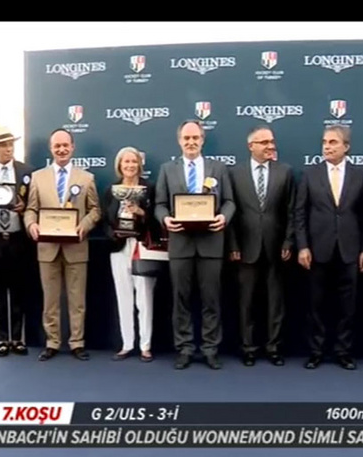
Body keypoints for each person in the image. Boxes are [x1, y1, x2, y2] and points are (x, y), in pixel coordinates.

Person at [154, 120, 236, 370]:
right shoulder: (168, 169)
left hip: (211, 243)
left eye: (195, 138)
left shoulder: (218, 168)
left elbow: (229, 201)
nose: (191, 142)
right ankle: (185, 348)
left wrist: (224, 216)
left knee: (211, 299)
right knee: (181, 300)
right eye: (186, 138)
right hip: (180, 244)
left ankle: (210, 348)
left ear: (203, 140)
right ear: (179, 141)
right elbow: (159, 204)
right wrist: (165, 219)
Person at [296, 125, 363, 370]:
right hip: (318, 249)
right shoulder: (311, 174)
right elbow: (300, 213)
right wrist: (302, 246)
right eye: (325, 142)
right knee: (316, 305)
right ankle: (316, 351)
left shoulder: (360, 175)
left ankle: (343, 351)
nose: (327, 147)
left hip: (350, 250)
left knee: (347, 307)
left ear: (346, 147)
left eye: (333, 142)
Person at [24, 128, 101, 362]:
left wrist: (85, 226)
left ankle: (77, 342)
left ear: (72, 147)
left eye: (65, 145)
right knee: (50, 300)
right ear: (51, 148)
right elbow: (30, 209)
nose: (61, 149)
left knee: (77, 300)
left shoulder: (86, 178)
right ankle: (52, 342)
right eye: (57, 145)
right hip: (47, 248)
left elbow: (96, 210)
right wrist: (31, 226)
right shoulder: (38, 177)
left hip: (76, 247)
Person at [227, 126, 296, 367]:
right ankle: (248, 347)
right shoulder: (235, 173)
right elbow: (231, 211)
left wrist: (289, 240)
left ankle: (273, 347)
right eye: (264, 142)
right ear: (251, 146)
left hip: (276, 247)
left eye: (271, 142)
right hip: (245, 248)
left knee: (276, 301)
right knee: (246, 302)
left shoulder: (285, 172)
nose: (270, 146)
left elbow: (291, 210)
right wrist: (233, 245)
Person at [0, 127, 36, 357]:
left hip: (19, 239)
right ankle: (3, 339)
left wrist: (25, 208)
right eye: (3, 145)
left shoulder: (26, 171)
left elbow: (34, 203)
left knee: (20, 292)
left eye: (11, 144)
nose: (8, 148)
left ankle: (18, 339)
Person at [103, 147, 159, 362]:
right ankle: (127, 344)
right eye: (125, 162)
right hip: (118, 248)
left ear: (139, 165)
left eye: (133, 161)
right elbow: (105, 220)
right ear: (119, 165)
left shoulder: (149, 189)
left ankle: (145, 345)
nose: (129, 165)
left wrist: (142, 213)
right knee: (123, 296)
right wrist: (114, 234)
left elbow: (157, 221)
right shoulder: (111, 191)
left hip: (142, 247)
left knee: (145, 297)